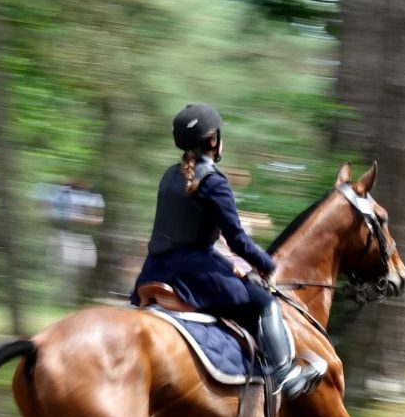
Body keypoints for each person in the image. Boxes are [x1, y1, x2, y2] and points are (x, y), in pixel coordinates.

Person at [131, 103, 323, 399]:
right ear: (212, 140)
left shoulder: (170, 176)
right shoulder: (213, 181)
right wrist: (266, 264)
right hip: (194, 273)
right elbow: (237, 240)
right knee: (265, 304)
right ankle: (284, 376)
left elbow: (184, 233)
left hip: (154, 269)